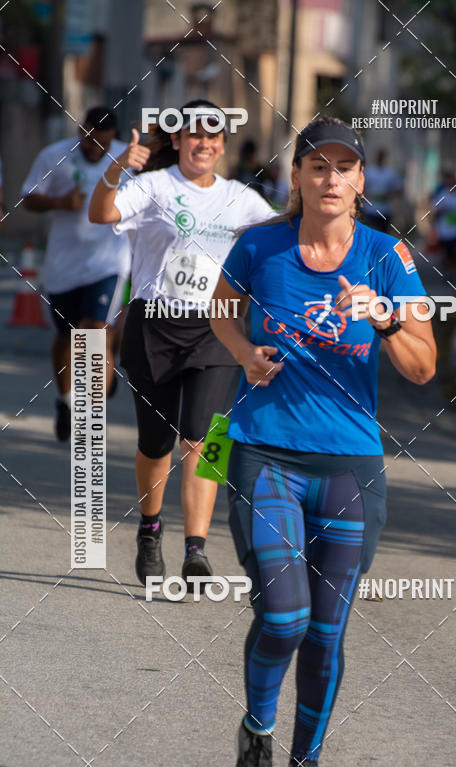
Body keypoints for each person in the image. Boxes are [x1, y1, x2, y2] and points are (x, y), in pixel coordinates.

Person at [210, 117, 436, 767]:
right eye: (317, 166)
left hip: (350, 465)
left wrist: (387, 318)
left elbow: (424, 368)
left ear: (361, 181)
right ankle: (258, 734)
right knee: (285, 615)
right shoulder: (259, 246)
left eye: (345, 167)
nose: (331, 178)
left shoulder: (388, 257)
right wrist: (244, 354)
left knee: (328, 628)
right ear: (297, 177)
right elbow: (221, 309)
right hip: (264, 450)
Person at [89, 100, 274, 588]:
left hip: (217, 330)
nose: (204, 144)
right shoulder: (151, 185)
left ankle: (197, 549)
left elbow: (285, 237)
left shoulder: (242, 199)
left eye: (214, 137)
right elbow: (99, 212)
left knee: (206, 436)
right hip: (155, 326)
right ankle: (149, 532)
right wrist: (116, 168)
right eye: (195, 135)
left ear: (223, 145)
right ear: (177, 140)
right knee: (157, 444)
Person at [21, 107, 131, 440]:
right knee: (66, 336)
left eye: (102, 142)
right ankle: (66, 400)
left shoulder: (126, 159)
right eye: (89, 139)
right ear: (81, 131)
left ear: (113, 138)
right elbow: (28, 197)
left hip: (109, 262)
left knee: (96, 329)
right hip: (63, 264)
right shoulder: (55, 156)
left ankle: (90, 411)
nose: (94, 147)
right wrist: (59, 202)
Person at [362, 148, 403, 231]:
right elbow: (361, 187)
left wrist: (389, 195)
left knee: (383, 234)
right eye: (378, 156)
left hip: (385, 210)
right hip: (370, 210)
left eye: (382, 156)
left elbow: (399, 189)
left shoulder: (391, 172)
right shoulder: (369, 171)